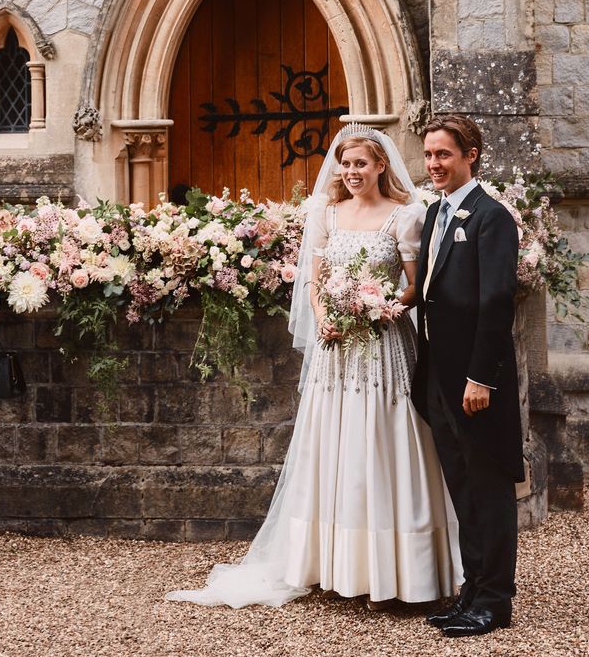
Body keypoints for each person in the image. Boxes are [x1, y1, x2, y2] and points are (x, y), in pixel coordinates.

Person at [167, 124, 460, 609]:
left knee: (384, 442)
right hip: (335, 349)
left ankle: (398, 570)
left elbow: (415, 284)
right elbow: (314, 282)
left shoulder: (406, 216)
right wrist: (326, 318)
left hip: (383, 345)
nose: (351, 173)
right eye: (345, 165)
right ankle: (331, 564)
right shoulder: (326, 213)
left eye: (361, 164)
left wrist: (381, 307)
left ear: (381, 166)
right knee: (335, 442)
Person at [412, 115, 523, 638]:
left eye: (444, 155)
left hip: (477, 383)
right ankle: (471, 590)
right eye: (429, 155)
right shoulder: (436, 213)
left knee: (489, 486)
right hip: (439, 375)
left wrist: (481, 376)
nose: (433, 164)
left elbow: (497, 302)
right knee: (461, 486)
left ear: (471, 154)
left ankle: (495, 600)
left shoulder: (491, 217)